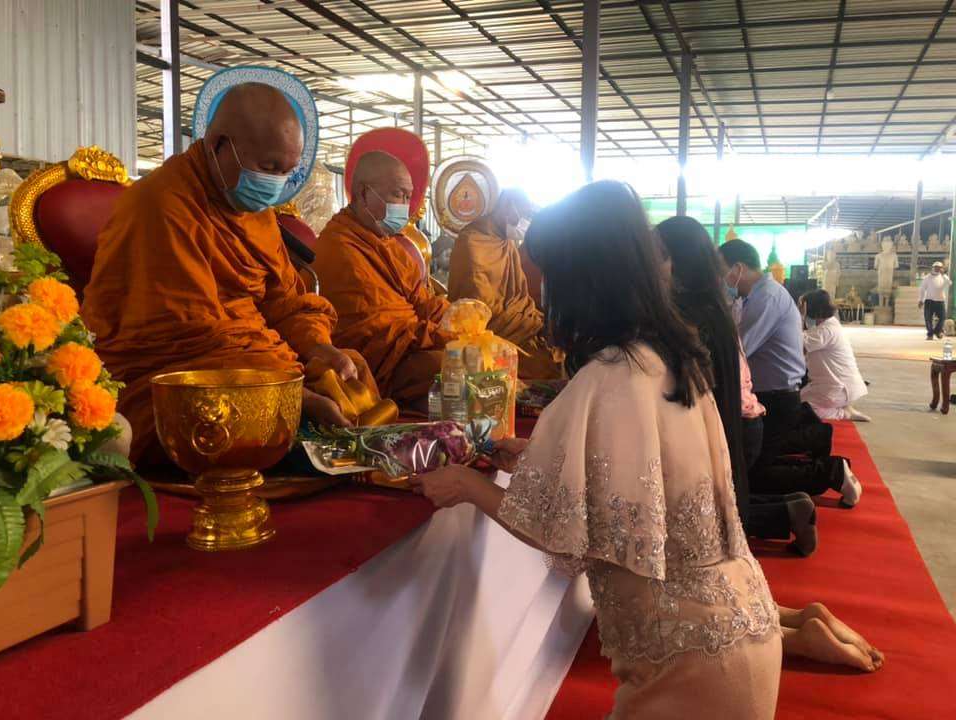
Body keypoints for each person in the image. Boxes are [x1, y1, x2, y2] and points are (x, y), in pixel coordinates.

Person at [414, 181, 784, 719]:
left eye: (548, 277)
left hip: (686, 664)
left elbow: (560, 533)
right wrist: (542, 456)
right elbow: (638, 479)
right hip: (739, 627)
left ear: (579, 281)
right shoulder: (668, 355)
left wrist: (467, 485)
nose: (543, 296)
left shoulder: (609, 376)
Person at [82, 80, 372, 464]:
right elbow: (190, 336)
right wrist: (289, 394)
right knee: (281, 419)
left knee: (350, 371)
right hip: (178, 375)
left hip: (256, 359)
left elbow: (285, 300)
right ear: (219, 144)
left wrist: (319, 347)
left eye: (286, 172)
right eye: (268, 167)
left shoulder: (256, 212)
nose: (275, 184)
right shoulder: (161, 204)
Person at [657, 216, 817, 555]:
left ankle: (805, 496)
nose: (653, 268)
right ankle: (791, 509)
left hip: (752, 409)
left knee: (718, 506)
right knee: (723, 499)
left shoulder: (708, 313)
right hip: (747, 408)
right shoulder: (718, 306)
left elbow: (732, 360)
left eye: (660, 257)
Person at [718, 239, 862, 508]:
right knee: (755, 460)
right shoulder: (752, 297)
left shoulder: (767, 298)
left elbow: (738, 350)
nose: (720, 279)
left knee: (753, 474)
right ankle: (814, 435)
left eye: (721, 270)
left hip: (775, 397)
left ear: (738, 268)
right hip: (770, 394)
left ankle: (830, 472)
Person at [313, 151, 453, 406]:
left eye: (408, 197)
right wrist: (442, 337)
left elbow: (421, 299)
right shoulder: (339, 248)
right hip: (385, 363)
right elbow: (381, 331)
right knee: (456, 368)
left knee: (481, 351)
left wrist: (455, 320)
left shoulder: (387, 244)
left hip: (413, 343)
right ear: (363, 193)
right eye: (398, 194)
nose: (405, 206)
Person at [448, 188, 562, 379]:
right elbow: (478, 308)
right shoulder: (472, 241)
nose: (525, 222)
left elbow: (520, 297)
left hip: (520, 322)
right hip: (489, 330)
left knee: (558, 347)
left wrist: (533, 322)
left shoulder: (507, 242)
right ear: (507, 206)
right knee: (545, 365)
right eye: (524, 214)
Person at [800, 289, 870, 422]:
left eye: (803, 308)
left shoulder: (825, 331)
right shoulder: (830, 325)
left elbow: (797, 343)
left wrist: (799, 317)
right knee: (798, 399)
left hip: (838, 389)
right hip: (841, 387)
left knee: (801, 408)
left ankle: (843, 413)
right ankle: (844, 406)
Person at [918, 261, 951, 340]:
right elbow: (922, 289)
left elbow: (949, 283)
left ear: (942, 268)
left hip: (940, 300)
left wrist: (944, 275)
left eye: (939, 267)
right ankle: (930, 334)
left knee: (943, 317)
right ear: (933, 268)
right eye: (936, 267)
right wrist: (921, 300)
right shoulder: (927, 278)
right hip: (929, 300)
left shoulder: (943, 277)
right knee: (928, 319)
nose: (937, 269)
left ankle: (937, 331)